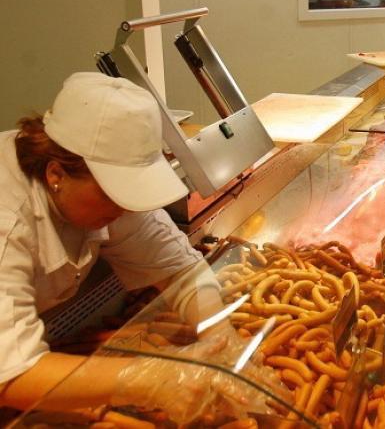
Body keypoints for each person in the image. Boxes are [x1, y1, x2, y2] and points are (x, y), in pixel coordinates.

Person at [0, 73, 265, 423]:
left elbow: (181, 271)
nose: (125, 209)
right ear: (55, 174)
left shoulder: (102, 191)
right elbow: (11, 375)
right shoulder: (7, 220)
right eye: (115, 193)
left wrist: (219, 336)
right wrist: (146, 380)